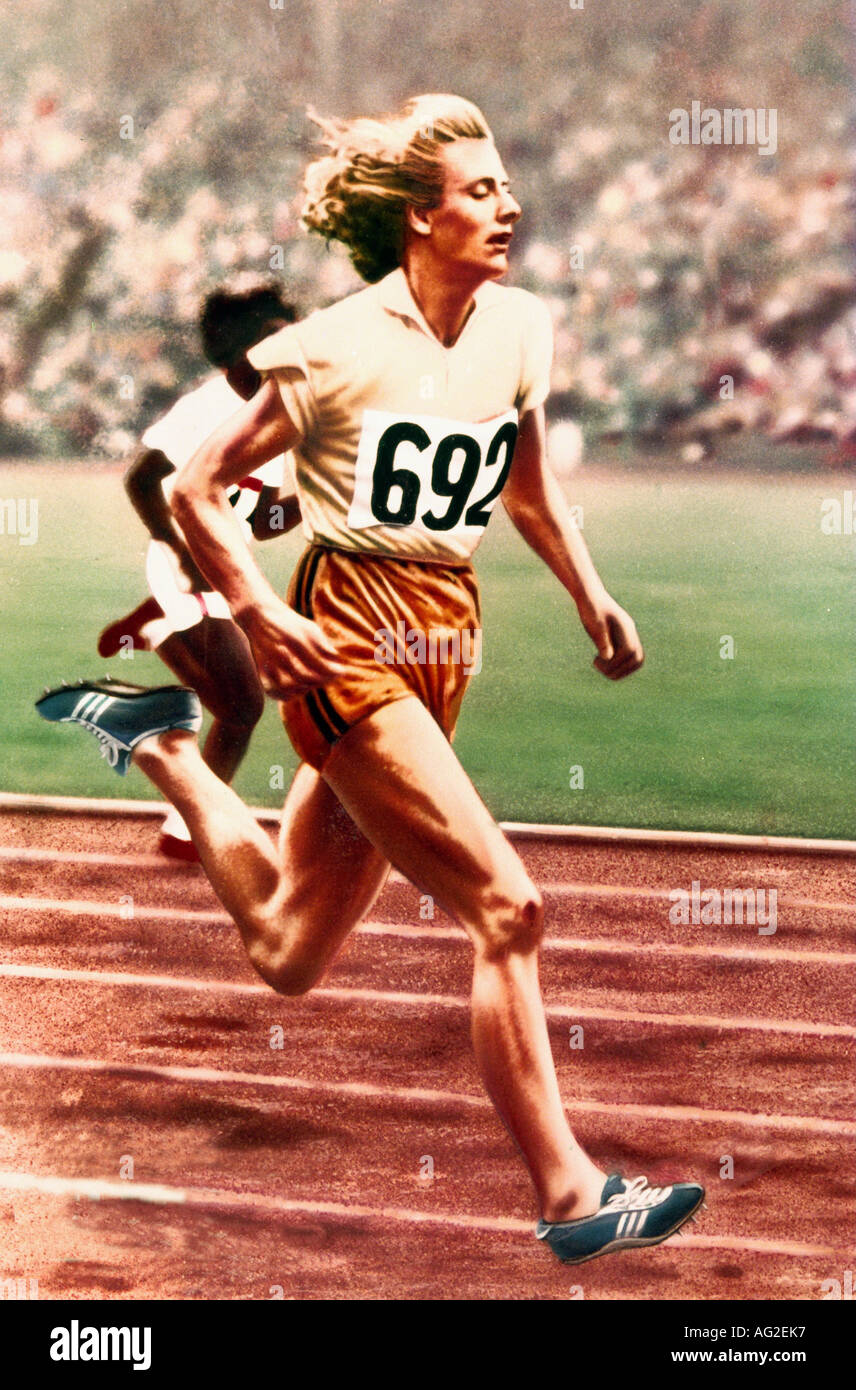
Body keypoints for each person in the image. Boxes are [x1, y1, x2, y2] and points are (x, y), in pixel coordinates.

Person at [38, 94, 703, 1263]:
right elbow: (192, 487)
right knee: (510, 906)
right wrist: (253, 607)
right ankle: (570, 1197)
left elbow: (529, 489)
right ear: (416, 215)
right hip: (344, 637)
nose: (507, 205)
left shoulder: (520, 329)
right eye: (481, 188)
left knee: (291, 950)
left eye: (502, 185)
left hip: (447, 633)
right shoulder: (332, 345)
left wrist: (591, 592)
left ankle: (162, 746)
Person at [96, 285, 302, 858]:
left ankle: (186, 827)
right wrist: (181, 554)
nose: (289, 345)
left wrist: (315, 497)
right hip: (184, 570)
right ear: (237, 349)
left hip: (225, 573)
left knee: (237, 707)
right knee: (242, 707)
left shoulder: (279, 412)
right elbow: (140, 480)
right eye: (273, 334)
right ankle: (188, 827)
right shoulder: (206, 409)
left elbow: (262, 523)